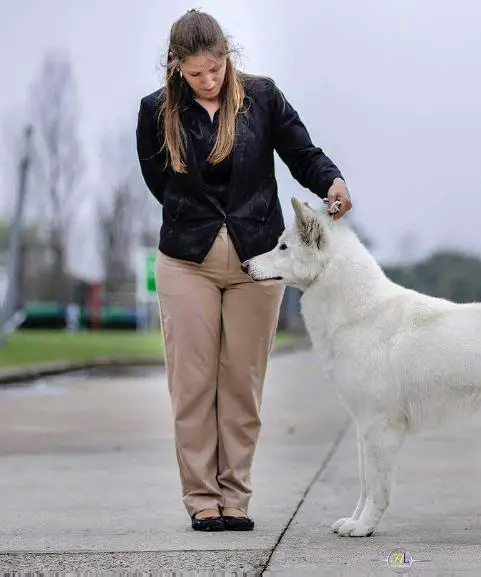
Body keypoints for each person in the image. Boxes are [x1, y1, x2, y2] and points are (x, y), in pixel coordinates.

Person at [135, 8, 351, 532]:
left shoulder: (262, 96)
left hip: (258, 259)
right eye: (196, 74)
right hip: (187, 261)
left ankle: (235, 497)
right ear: (175, 66)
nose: (208, 80)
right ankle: (201, 499)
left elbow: (302, 152)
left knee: (242, 384)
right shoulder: (155, 110)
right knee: (192, 383)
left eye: (215, 68)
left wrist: (332, 182)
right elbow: (158, 182)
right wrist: (198, 219)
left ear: (227, 56)